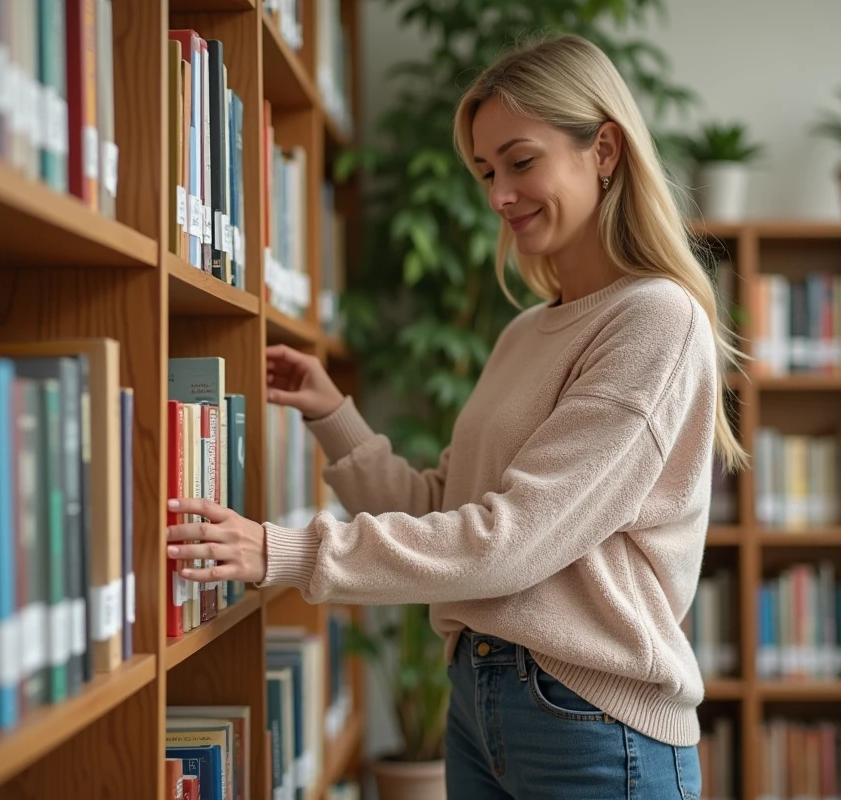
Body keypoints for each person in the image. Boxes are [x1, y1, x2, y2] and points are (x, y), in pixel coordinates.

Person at [166, 32, 745, 800]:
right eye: (485, 171)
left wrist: (289, 553)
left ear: (603, 148)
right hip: (480, 699)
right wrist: (335, 416)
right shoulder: (524, 332)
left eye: (521, 160)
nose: (499, 194)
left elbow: (512, 542)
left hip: (595, 723)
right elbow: (449, 513)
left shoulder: (656, 320)